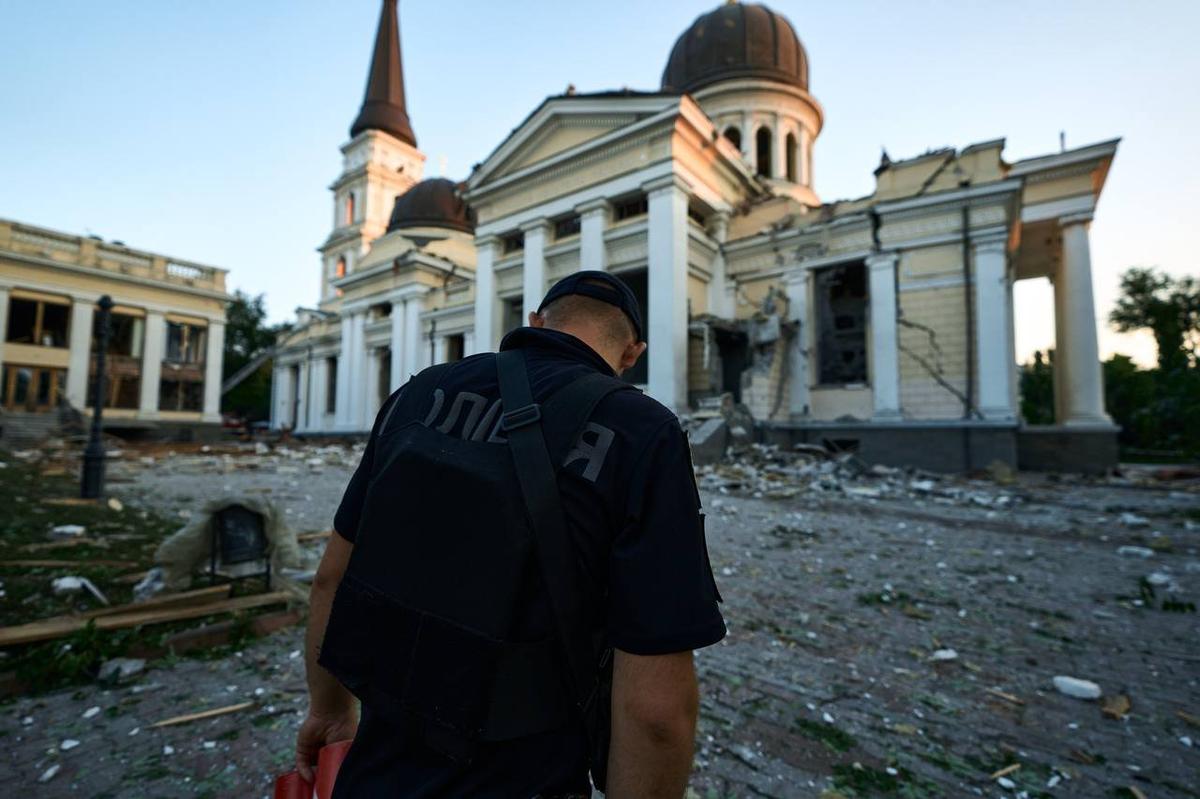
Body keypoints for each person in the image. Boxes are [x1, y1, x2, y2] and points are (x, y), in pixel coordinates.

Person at [296, 271, 726, 798]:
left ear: (536, 323)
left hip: (377, 770)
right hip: (526, 777)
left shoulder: (419, 393)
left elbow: (329, 581)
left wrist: (330, 708)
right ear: (631, 354)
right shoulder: (642, 431)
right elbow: (656, 711)